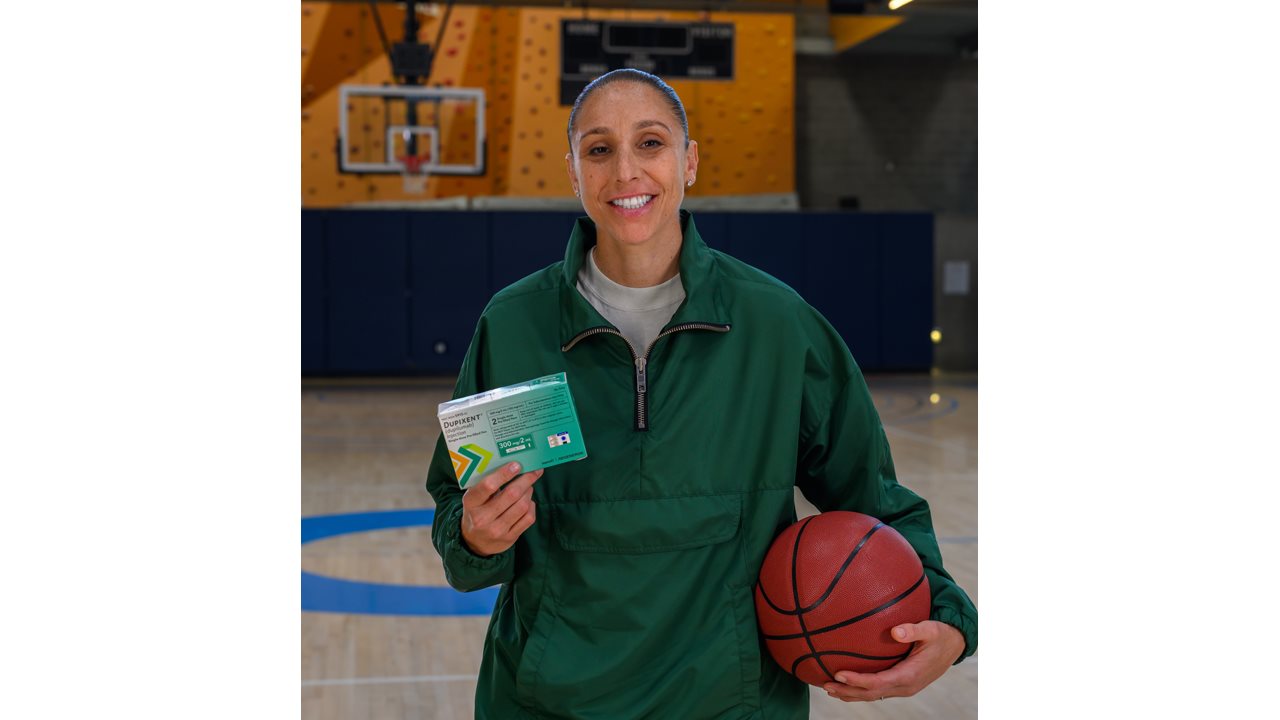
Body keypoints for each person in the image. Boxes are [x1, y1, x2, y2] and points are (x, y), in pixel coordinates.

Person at [425, 68, 977, 719]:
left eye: (651, 143)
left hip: (734, 703)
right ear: (575, 173)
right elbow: (460, 524)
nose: (626, 170)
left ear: (688, 163)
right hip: (548, 701)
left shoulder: (777, 323)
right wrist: (477, 536)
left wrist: (947, 619)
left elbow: (872, 497)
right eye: (599, 150)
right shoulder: (514, 325)